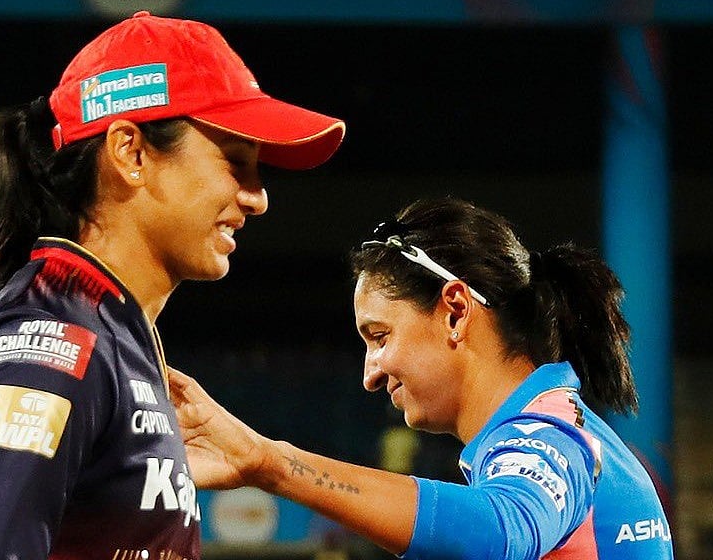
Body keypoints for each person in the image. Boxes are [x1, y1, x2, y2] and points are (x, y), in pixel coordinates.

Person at [0, 11, 345, 560]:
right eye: (235, 162)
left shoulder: (107, 335)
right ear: (131, 153)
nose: (257, 196)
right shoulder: (53, 341)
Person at [170, 197, 675, 559]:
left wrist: (271, 463)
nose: (370, 373)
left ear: (455, 311)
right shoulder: (557, 427)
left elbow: (502, 530)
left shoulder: (546, 435)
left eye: (380, 336)